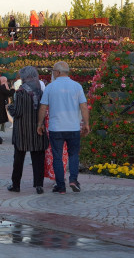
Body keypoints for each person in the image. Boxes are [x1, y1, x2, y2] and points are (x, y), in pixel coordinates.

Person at [37, 61, 90, 194]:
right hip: (73, 127)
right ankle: (73, 179)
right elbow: (83, 106)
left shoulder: (50, 87)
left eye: (54, 71)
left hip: (56, 128)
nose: (53, 73)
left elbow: (43, 107)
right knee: (73, 155)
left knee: (57, 157)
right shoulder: (77, 86)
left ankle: (60, 186)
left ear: (58, 72)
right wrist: (86, 123)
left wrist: (40, 123)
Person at [7, 66, 49, 194]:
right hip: (37, 130)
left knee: (19, 159)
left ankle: (16, 184)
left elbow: (18, 112)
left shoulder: (20, 92)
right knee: (38, 159)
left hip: (22, 131)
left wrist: (9, 107)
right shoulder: (41, 91)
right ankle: (39, 185)